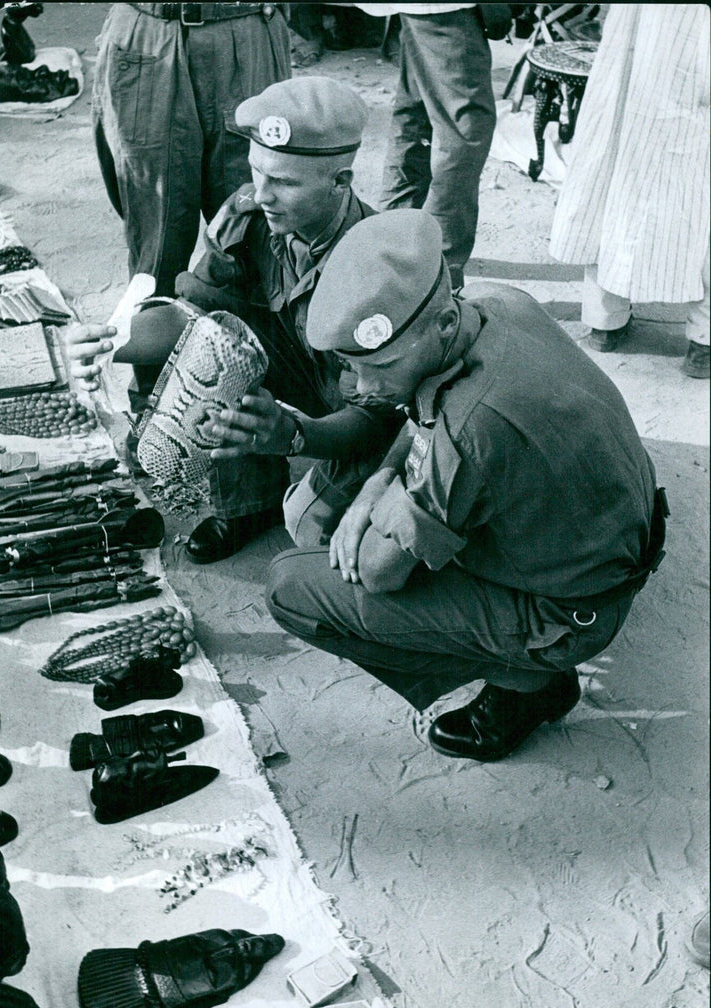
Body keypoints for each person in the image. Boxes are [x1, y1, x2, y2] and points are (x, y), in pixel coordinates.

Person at [220, 209, 666, 762]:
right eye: (351, 368)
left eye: (378, 367)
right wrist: (372, 491)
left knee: (293, 587)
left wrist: (375, 513)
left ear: (444, 326)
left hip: (575, 612)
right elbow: (423, 412)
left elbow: (380, 571)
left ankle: (530, 683)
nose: (364, 387)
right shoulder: (496, 303)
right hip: (616, 531)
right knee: (336, 511)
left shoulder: (471, 431)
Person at [67, 76, 403, 563]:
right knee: (221, 340)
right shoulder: (251, 214)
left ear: (340, 182)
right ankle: (249, 503)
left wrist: (291, 435)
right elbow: (195, 318)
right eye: (256, 172)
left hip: (363, 410)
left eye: (284, 182)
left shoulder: (377, 269)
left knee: (321, 534)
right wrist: (113, 340)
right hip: (301, 376)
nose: (262, 193)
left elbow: (376, 417)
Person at [92, 2, 291, 304]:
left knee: (254, 234)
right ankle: (159, 335)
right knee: (156, 247)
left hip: (245, 29)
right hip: (149, 31)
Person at [550, 4, 710, 378]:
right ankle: (608, 318)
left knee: (687, 181)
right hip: (643, 32)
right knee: (617, 163)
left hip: (672, 35)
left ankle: (702, 337)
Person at [355, 3, 497, 290]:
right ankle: (437, 270)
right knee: (465, 130)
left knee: (418, 118)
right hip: (447, 9)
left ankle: (391, 243)